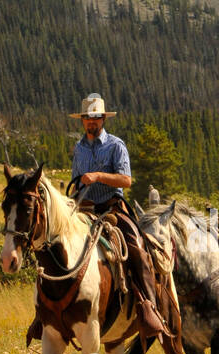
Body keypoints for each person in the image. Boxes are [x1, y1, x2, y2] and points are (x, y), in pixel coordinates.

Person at [70, 93, 164, 339]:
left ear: (103, 119)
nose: (92, 122)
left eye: (96, 118)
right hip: (86, 208)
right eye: (87, 118)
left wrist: (98, 176)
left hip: (113, 207)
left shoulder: (115, 145)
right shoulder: (78, 149)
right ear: (82, 121)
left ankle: (148, 308)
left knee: (137, 248)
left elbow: (126, 180)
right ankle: (47, 312)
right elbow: (77, 180)